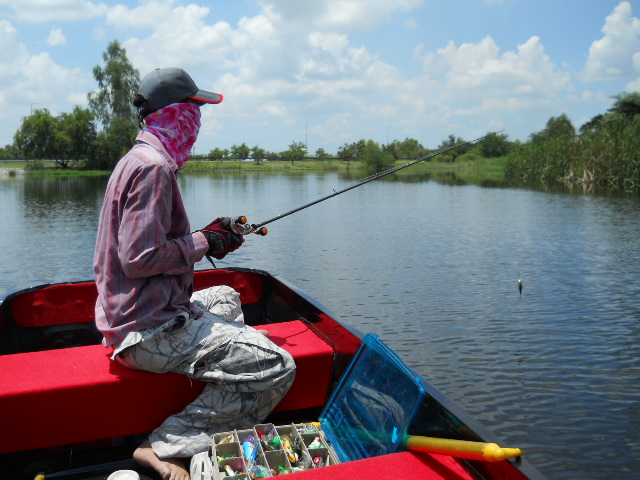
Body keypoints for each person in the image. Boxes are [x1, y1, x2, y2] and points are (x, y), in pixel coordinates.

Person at [93, 68, 296, 480]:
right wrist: (205, 242)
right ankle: (163, 446)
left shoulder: (139, 158)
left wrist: (212, 236)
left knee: (227, 296)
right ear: (175, 113)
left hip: (136, 317)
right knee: (278, 364)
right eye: (195, 109)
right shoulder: (154, 168)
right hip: (146, 332)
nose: (198, 122)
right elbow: (140, 257)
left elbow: (149, 247)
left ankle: (230, 369)